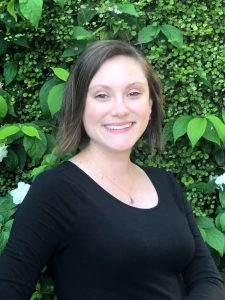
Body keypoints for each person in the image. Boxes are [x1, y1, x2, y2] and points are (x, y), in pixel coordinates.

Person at [0, 40, 224, 300]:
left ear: (150, 105)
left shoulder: (166, 183)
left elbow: (207, 277)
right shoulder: (56, 191)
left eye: (133, 93)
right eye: (102, 95)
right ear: (80, 106)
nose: (120, 109)